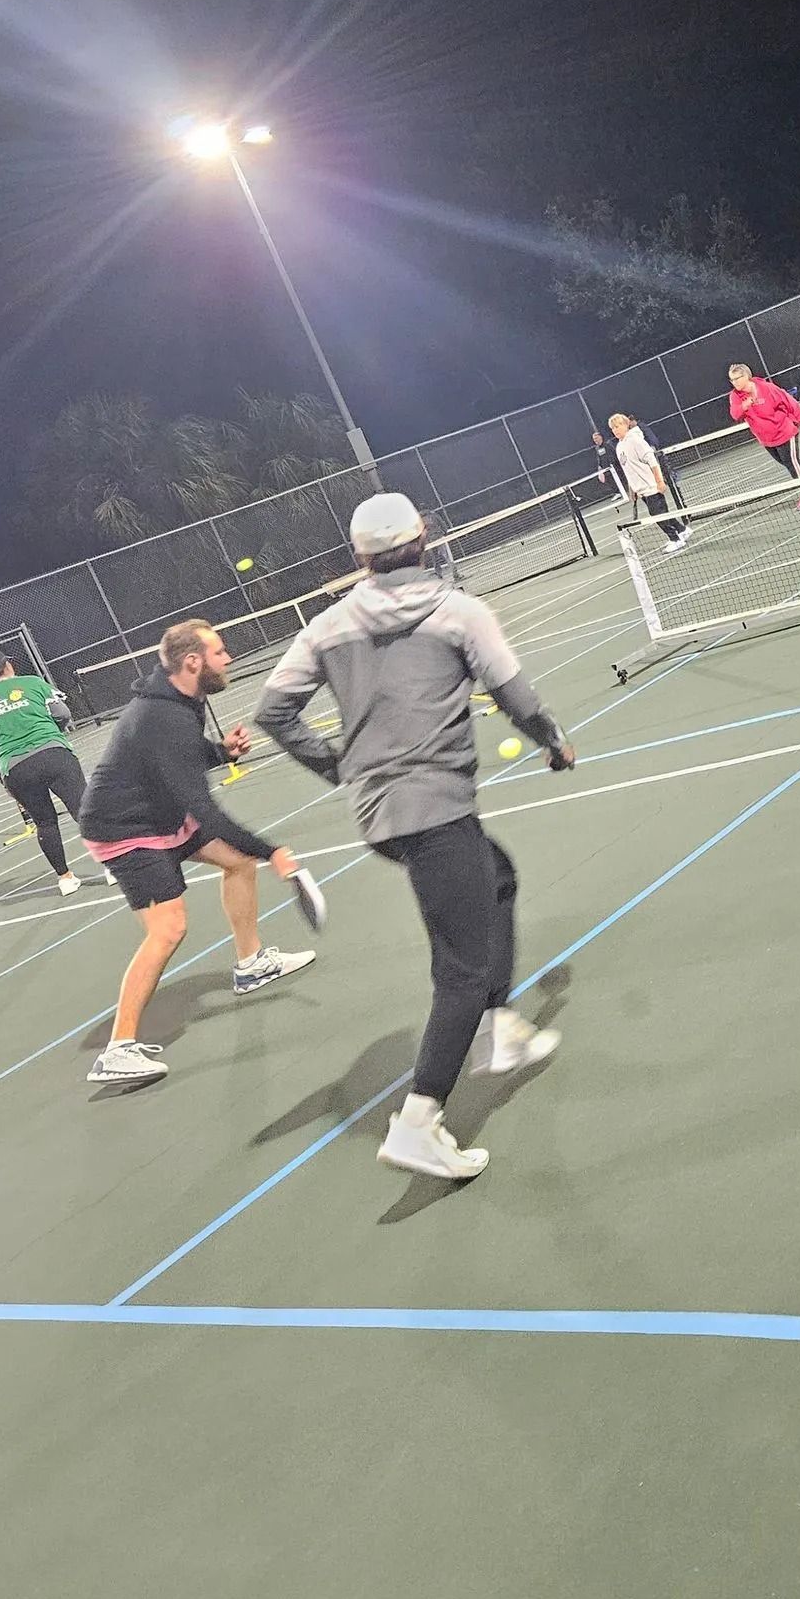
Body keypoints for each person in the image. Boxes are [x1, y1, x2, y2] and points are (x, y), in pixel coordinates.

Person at [257, 493, 577, 1183]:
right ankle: (419, 1119)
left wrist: (335, 763)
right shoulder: (457, 609)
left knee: (497, 878)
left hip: (382, 816)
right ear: (423, 537)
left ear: (359, 558)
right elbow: (517, 698)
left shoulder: (329, 625)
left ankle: (502, 1029)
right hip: (431, 811)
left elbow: (272, 709)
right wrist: (552, 741)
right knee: (459, 967)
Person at [78, 619, 323, 1092]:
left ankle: (251, 965)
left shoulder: (180, 700)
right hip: (125, 829)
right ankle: (117, 1050)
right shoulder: (162, 714)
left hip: (159, 814)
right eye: (219, 652)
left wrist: (220, 752)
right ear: (193, 662)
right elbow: (204, 810)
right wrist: (272, 850)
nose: (227, 658)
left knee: (237, 862)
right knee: (169, 928)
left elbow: (178, 756)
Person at [0, 649, 98, 895]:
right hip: (54, 754)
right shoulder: (32, 683)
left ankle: (65, 878)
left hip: (16, 768)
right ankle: (112, 867)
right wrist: (52, 733)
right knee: (84, 810)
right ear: (7, 666)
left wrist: (4, 778)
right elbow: (62, 714)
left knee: (45, 823)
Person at [727, 363, 800, 507]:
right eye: (731, 380)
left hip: (785, 432)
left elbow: (790, 403)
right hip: (766, 439)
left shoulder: (767, 388)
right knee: (787, 463)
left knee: (792, 463)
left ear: (746, 376)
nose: (734, 383)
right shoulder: (735, 396)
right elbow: (735, 414)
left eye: (737, 378)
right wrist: (745, 405)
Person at [609, 410, 690, 550]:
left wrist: (659, 481)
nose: (615, 430)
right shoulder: (619, 446)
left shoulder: (635, 440)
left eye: (618, 426)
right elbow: (628, 469)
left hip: (651, 486)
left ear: (626, 425)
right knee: (662, 513)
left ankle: (675, 539)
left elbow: (652, 461)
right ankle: (682, 530)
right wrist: (632, 490)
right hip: (640, 489)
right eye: (613, 428)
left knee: (657, 515)